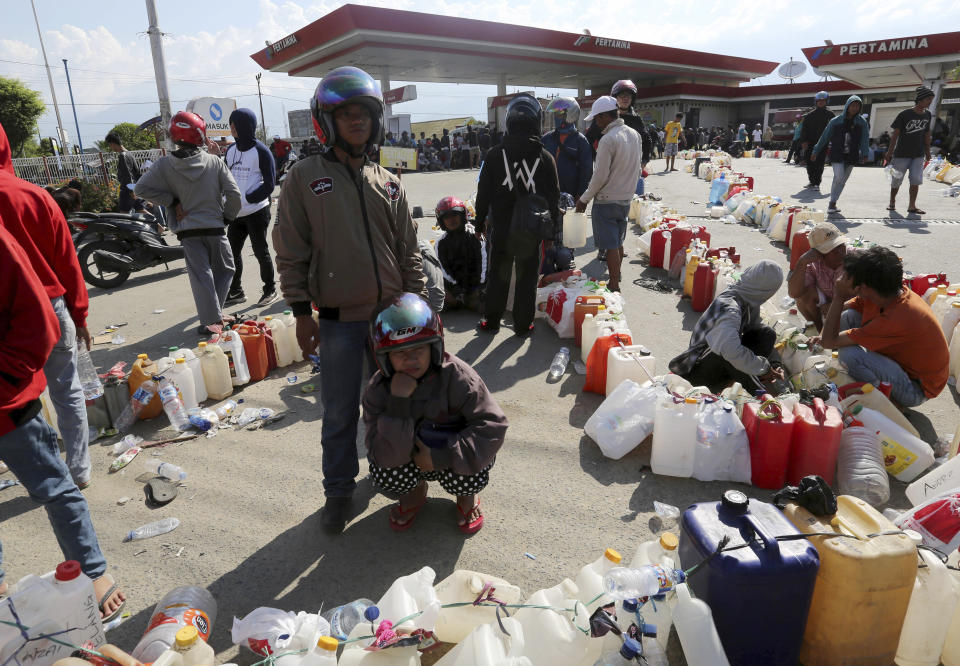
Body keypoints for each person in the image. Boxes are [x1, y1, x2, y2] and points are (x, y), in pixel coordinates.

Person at [272, 65, 427, 534]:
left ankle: (402, 474)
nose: (357, 121)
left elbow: (409, 251)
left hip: (392, 321)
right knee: (339, 413)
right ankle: (339, 491)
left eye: (364, 113)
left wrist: (420, 307)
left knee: (399, 403)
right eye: (347, 114)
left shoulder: (389, 181)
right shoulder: (304, 178)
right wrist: (302, 313)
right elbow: (290, 250)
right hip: (338, 321)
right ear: (328, 121)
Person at [0, 221, 126, 621]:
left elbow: (38, 315)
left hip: (5, 404)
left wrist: (6, 377)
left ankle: (91, 572)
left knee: (55, 485)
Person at [363, 293, 507, 533]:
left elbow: (493, 427)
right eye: (399, 352)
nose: (411, 359)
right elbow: (382, 454)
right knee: (385, 473)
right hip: (407, 455)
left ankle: (466, 498)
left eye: (419, 348)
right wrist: (398, 403)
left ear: (435, 347)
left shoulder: (460, 377)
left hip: (451, 452)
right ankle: (414, 494)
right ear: (384, 358)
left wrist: (441, 456)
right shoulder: (378, 390)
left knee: (472, 473)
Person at [0, 122, 92, 489]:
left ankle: (27, 463)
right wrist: (80, 313)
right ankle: (79, 471)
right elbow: (67, 262)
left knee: (13, 398)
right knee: (66, 389)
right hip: (51, 311)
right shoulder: (34, 196)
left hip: (5, 319)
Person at [135, 111, 242, 335]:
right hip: (215, 226)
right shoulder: (214, 162)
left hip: (188, 231)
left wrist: (172, 201)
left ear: (174, 136)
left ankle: (213, 316)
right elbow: (234, 194)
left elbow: (140, 189)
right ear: (200, 135)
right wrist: (227, 217)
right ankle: (211, 320)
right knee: (226, 269)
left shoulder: (164, 165)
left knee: (202, 275)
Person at [818, 246, 948, 407]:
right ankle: (865, 381)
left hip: (916, 389)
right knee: (848, 317)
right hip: (902, 367)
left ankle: (883, 402)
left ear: (864, 287)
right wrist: (821, 335)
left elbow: (828, 342)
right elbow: (838, 318)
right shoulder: (886, 293)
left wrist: (838, 295)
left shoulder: (896, 317)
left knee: (849, 355)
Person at [474, 93, 561, 336]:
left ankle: (491, 322)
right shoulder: (545, 158)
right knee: (527, 277)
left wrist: (479, 224)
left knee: (498, 276)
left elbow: (483, 195)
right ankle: (524, 325)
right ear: (537, 121)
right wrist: (552, 232)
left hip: (501, 228)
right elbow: (553, 198)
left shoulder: (493, 155)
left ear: (509, 121)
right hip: (531, 230)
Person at [669, 260, 788, 394]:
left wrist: (774, 364)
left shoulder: (747, 297)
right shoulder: (730, 307)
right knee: (727, 353)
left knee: (766, 333)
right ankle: (760, 393)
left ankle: (751, 379)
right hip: (697, 371)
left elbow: (753, 330)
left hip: (721, 357)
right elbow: (729, 351)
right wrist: (763, 368)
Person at [574, 96, 642, 292]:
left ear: (605, 116)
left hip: (606, 200)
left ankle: (613, 283)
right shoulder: (634, 134)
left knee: (611, 245)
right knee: (618, 241)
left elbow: (600, 176)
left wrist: (584, 199)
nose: (596, 122)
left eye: (597, 118)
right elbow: (637, 169)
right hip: (625, 199)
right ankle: (616, 274)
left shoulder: (608, 139)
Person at [223, 109, 278, 308]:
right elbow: (225, 177)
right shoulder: (230, 151)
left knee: (260, 251)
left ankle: (270, 289)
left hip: (257, 210)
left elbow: (270, 183)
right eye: (231, 125)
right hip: (236, 213)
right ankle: (236, 291)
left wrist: (249, 197)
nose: (232, 128)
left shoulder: (261, 151)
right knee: (232, 253)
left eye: (235, 124)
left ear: (245, 125)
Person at [811, 95, 870, 215]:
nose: (855, 108)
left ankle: (833, 202)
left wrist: (865, 154)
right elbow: (825, 137)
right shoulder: (835, 121)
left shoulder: (862, 122)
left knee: (842, 180)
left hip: (852, 155)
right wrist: (816, 151)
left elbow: (865, 139)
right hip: (837, 154)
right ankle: (832, 203)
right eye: (853, 105)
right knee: (839, 176)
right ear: (847, 106)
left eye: (857, 106)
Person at [787, 222, 847, 331]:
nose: (840, 252)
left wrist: (835, 306)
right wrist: (802, 262)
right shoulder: (814, 264)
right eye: (833, 249)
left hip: (850, 309)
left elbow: (862, 299)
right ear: (819, 254)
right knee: (803, 296)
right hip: (830, 306)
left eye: (841, 245)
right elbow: (794, 293)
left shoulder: (855, 259)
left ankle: (832, 338)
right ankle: (819, 335)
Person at [885, 86, 935, 215]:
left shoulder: (928, 115)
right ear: (920, 99)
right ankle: (892, 202)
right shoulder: (904, 114)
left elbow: (927, 133)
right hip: (901, 154)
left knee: (915, 180)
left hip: (918, 154)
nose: (930, 102)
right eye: (928, 99)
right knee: (896, 180)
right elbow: (895, 134)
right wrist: (889, 152)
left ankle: (912, 206)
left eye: (931, 99)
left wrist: (928, 151)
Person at [435, 196, 484, 311]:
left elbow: (484, 262)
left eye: (454, 215)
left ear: (462, 216)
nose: (451, 220)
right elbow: (442, 269)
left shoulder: (475, 235)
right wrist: (456, 287)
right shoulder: (441, 243)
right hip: (455, 287)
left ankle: (470, 300)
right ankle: (460, 301)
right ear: (441, 221)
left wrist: (480, 286)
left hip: (478, 285)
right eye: (446, 217)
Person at [541, 97, 593, 203]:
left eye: (559, 114)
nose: (556, 117)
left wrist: (580, 195)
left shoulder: (581, 141)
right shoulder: (547, 138)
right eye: (555, 114)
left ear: (570, 115)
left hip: (571, 196)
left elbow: (586, 171)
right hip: (548, 193)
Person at [801, 91, 835, 190]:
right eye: (819, 101)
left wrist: (832, 141)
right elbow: (804, 129)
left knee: (819, 163)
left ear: (826, 101)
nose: (820, 102)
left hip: (822, 143)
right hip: (810, 143)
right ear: (816, 102)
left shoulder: (830, 115)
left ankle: (817, 183)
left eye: (823, 100)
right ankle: (811, 181)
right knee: (809, 162)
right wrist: (803, 141)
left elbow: (834, 129)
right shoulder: (809, 115)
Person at [104, 131, 141, 213]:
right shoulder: (129, 154)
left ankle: (158, 225)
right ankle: (159, 225)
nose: (111, 147)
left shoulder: (122, 156)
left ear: (113, 143)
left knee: (124, 214)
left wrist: (131, 191)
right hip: (133, 187)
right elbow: (137, 171)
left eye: (110, 145)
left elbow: (127, 174)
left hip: (127, 190)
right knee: (141, 210)